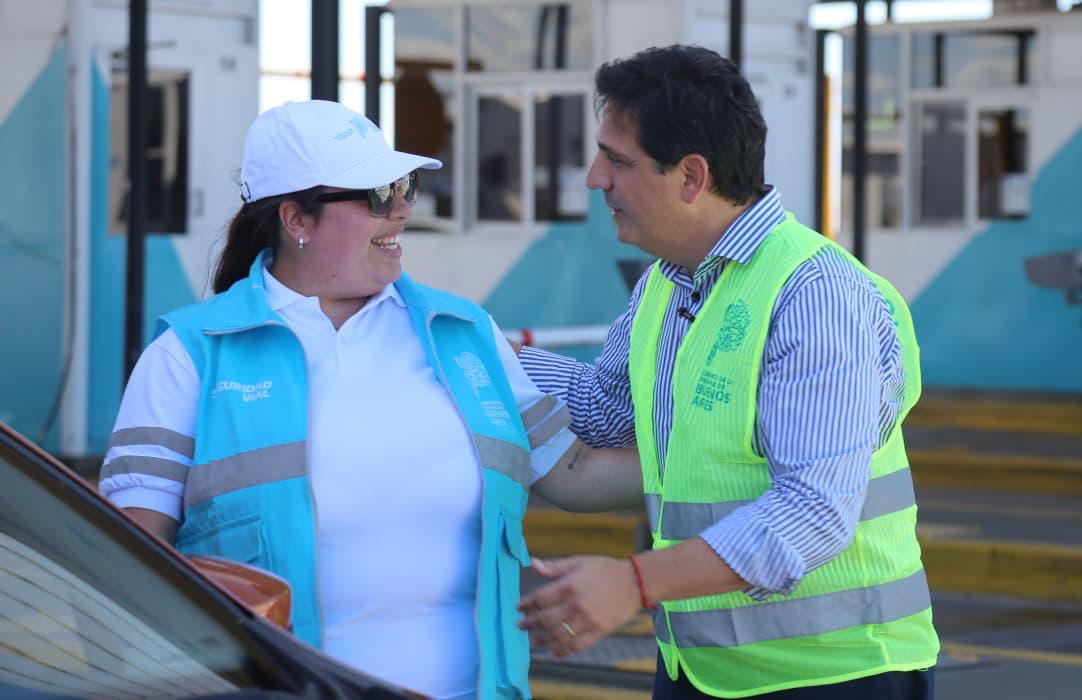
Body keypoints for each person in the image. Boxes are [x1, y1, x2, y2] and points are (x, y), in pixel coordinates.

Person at [98, 99, 641, 700]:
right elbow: (129, 562)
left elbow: (574, 473)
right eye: (378, 194)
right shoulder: (190, 355)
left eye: (405, 187)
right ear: (296, 219)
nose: (403, 209)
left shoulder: (463, 332)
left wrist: (720, 470)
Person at [515, 46, 940, 699]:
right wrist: (477, 354)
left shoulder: (814, 294)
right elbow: (605, 412)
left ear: (691, 176)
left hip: (836, 674)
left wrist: (632, 582)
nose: (596, 179)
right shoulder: (666, 283)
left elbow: (813, 510)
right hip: (702, 670)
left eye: (618, 161)